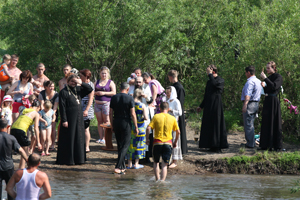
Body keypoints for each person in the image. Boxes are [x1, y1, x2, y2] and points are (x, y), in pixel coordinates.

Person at [56, 74, 93, 165]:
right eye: (72, 81)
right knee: (70, 138)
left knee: (79, 137)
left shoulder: (78, 90)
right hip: (69, 118)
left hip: (79, 118)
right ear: (67, 82)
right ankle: (68, 160)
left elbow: (90, 89)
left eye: (75, 81)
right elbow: (62, 107)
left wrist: (80, 82)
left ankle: (79, 159)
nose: (73, 83)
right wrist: (64, 120)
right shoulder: (63, 92)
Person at [197, 65, 228, 153]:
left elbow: (215, 85)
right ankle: (210, 144)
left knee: (216, 124)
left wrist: (210, 75)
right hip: (208, 106)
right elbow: (206, 95)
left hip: (216, 105)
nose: (207, 74)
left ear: (213, 72)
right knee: (208, 124)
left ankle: (217, 145)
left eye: (208, 72)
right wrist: (201, 106)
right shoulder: (209, 82)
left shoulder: (220, 80)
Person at [109, 82, 138, 174]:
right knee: (125, 145)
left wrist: (112, 124)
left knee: (120, 145)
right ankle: (118, 166)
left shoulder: (114, 97)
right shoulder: (130, 98)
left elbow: (110, 113)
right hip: (126, 122)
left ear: (119, 88)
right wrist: (136, 126)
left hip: (116, 121)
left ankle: (122, 167)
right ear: (128, 89)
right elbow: (133, 114)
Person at [146, 102, 180, 181]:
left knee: (156, 162)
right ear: (168, 109)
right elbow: (178, 132)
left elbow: (148, 128)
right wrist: (175, 142)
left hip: (157, 142)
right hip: (168, 143)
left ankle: (157, 179)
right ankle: (162, 181)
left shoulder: (156, 116)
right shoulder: (172, 118)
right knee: (164, 164)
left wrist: (147, 139)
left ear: (160, 108)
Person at [0, 118, 28, 200]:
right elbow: (21, 151)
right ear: (8, 126)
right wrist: (28, 161)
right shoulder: (11, 138)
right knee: (11, 188)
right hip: (8, 166)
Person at [259, 61, 283, 151]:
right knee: (266, 122)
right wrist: (264, 87)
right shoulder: (269, 77)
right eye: (267, 68)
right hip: (267, 100)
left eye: (269, 68)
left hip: (274, 101)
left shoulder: (278, 77)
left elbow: (274, 87)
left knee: (274, 122)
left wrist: (265, 78)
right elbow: (267, 90)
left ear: (274, 68)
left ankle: (276, 145)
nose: (267, 69)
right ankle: (265, 144)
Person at [10, 100, 41, 169]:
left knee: (14, 150)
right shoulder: (36, 114)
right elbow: (36, 128)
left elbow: (17, 120)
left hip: (13, 129)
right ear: (38, 107)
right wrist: (38, 143)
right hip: (20, 130)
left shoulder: (25, 110)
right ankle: (22, 170)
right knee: (25, 152)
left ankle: (19, 169)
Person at [126, 89, 148, 169]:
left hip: (130, 127)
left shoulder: (130, 104)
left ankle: (129, 163)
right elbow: (146, 117)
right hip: (140, 127)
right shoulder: (142, 105)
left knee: (130, 145)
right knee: (139, 144)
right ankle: (136, 163)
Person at [241, 66, 262, 148]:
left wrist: (245, 105)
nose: (245, 74)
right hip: (256, 103)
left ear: (248, 72)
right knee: (251, 123)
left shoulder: (250, 82)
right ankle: (252, 142)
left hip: (250, 103)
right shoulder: (258, 81)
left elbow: (248, 94)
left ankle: (250, 143)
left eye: (246, 72)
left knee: (248, 124)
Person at [168, 69, 188, 154]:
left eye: (169, 78)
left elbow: (180, 101)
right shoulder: (175, 86)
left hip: (177, 112)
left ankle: (182, 150)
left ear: (171, 77)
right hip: (174, 112)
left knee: (179, 131)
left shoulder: (179, 87)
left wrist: (178, 114)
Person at [94, 66, 116, 144]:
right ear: (100, 73)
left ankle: (106, 138)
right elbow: (92, 92)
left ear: (108, 74)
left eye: (105, 73)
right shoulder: (96, 82)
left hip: (106, 104)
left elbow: (114, 92)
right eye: (102, 73)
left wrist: (104, 93)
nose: (104, 75)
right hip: (97, 103)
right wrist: (96, 93)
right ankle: (101, 138)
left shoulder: (110, 82)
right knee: (99, 121)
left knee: (106, 121)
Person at [38, 81, 59, 151]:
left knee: (53, 128)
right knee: (42, 129)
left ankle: (52, 144)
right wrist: (44, 113)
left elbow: (55, 106)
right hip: (43, 111)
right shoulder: (42, 93)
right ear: (46, 87)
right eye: (50, 86)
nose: (51, 88)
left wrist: (52, 114)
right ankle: (42, 145)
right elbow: (41, 104)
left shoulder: (56, 94)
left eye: (52, 86)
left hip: (52, 112)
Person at [166, 86, 183, 168]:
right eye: (166, 93)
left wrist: (171, 110)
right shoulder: (167, 101)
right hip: (167, 123)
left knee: (175, 141)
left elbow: (180, 113)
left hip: (174, 123)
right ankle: (168, 159)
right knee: (168, 141)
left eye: (168, 93)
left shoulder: (176, 101)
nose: (167, 94)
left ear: (172, 93)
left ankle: (175, 161)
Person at [79, 69, 94, 152]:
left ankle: (87, 146)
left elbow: (91, 98)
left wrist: (86, 110)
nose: (80, 77)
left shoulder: (90, 85)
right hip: (79, 108)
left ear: (86, 76)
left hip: (86, 109)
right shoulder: (81, 84)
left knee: (86, 128)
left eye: (81, 75)